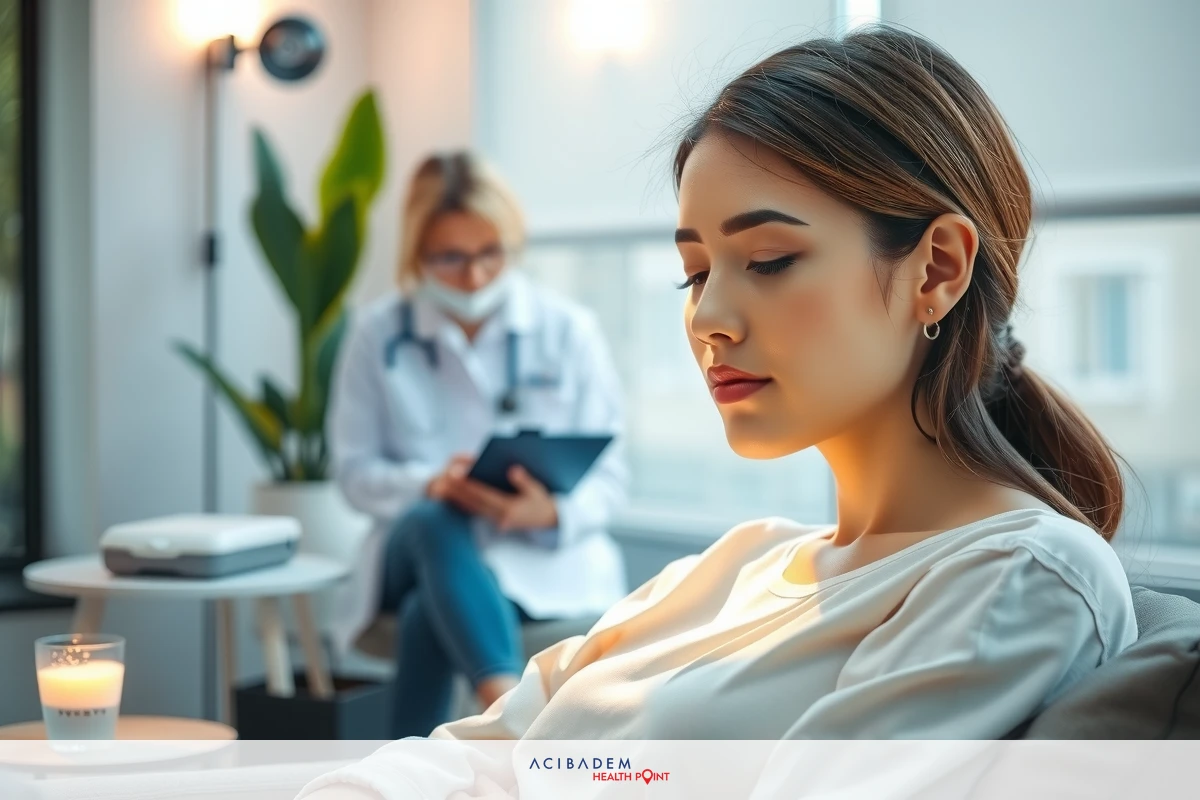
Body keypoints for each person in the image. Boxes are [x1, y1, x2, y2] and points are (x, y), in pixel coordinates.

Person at [300, 25, 1137, 799]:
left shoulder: (1017, 576)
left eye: (767, 260)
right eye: (695, 273)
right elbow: (473, 753)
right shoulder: (737, 563)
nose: (706, 319)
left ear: (937, 270)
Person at [326, 151, 629, 737]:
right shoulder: (377, 334)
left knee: (426, 617)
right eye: (450, 258)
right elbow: (354, 474)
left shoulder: (567, 330)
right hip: (408, 547)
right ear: (417, 256)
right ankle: (512, 718)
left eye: (491, 253)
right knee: (434, 518)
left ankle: (420, 769)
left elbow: (612, 477)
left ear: (512, 244)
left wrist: (553, 512)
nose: (474, 277)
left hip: (536, 553)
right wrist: (431, 482)